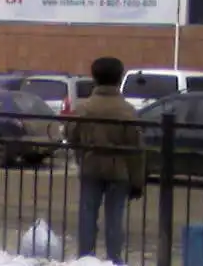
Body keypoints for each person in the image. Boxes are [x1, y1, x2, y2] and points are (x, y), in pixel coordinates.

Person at [66, 57, 144, 265]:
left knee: (87, 214)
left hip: (90, 167)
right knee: (115, 218)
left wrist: (82, 155)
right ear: (119, 79)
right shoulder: (127, 111)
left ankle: (85, 258)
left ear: (94, 78)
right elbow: (136, 150)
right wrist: (137, 181)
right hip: (119, 171)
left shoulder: (84, 108)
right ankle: (114, 260)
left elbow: (71, 135)